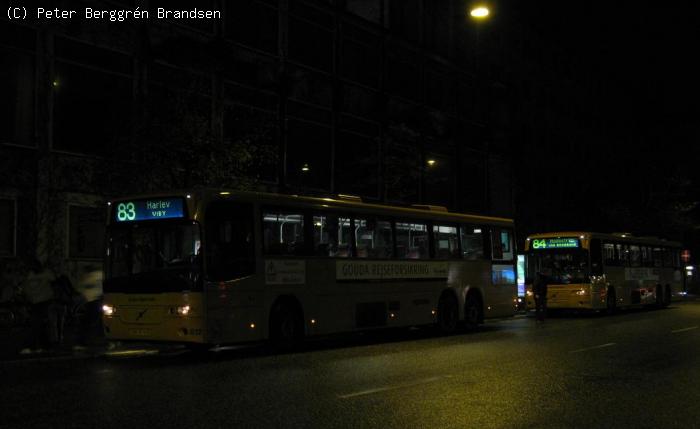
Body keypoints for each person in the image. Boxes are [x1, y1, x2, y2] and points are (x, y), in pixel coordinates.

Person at [21, 260, 55, 352]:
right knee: (40, 324)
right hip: (35, 301)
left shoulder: (45, 273)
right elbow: (26, 287)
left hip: (43, 301)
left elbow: (53, 278)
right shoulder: (30, 275)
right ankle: (45, 346)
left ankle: (30, 346)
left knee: (36, 323)